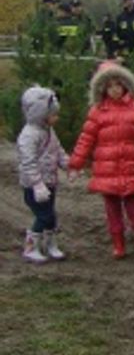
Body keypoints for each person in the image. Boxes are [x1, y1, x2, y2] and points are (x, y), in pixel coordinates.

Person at [68, 62, 134, 259]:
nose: (115, 90)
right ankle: (118, 243)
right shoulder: (97, 112)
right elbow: (86, 139)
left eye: (118, 85)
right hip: (107, 169)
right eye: (110, 86)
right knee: (112, 210)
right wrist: (76, 163)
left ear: (125, 85)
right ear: (102, 89)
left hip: (132, 166)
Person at [18, 86, 69, 263]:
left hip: (50, 182)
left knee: (51, 215)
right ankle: (30, 246)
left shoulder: (48, 131)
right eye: (53, 114)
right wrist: (37, 184)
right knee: (43, 216)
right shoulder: (29, 135)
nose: (57, 117)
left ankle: (50, 244)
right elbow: (28, 162)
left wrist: (68, 164)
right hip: (34, 186)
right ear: (41, 114)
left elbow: (58, 150)